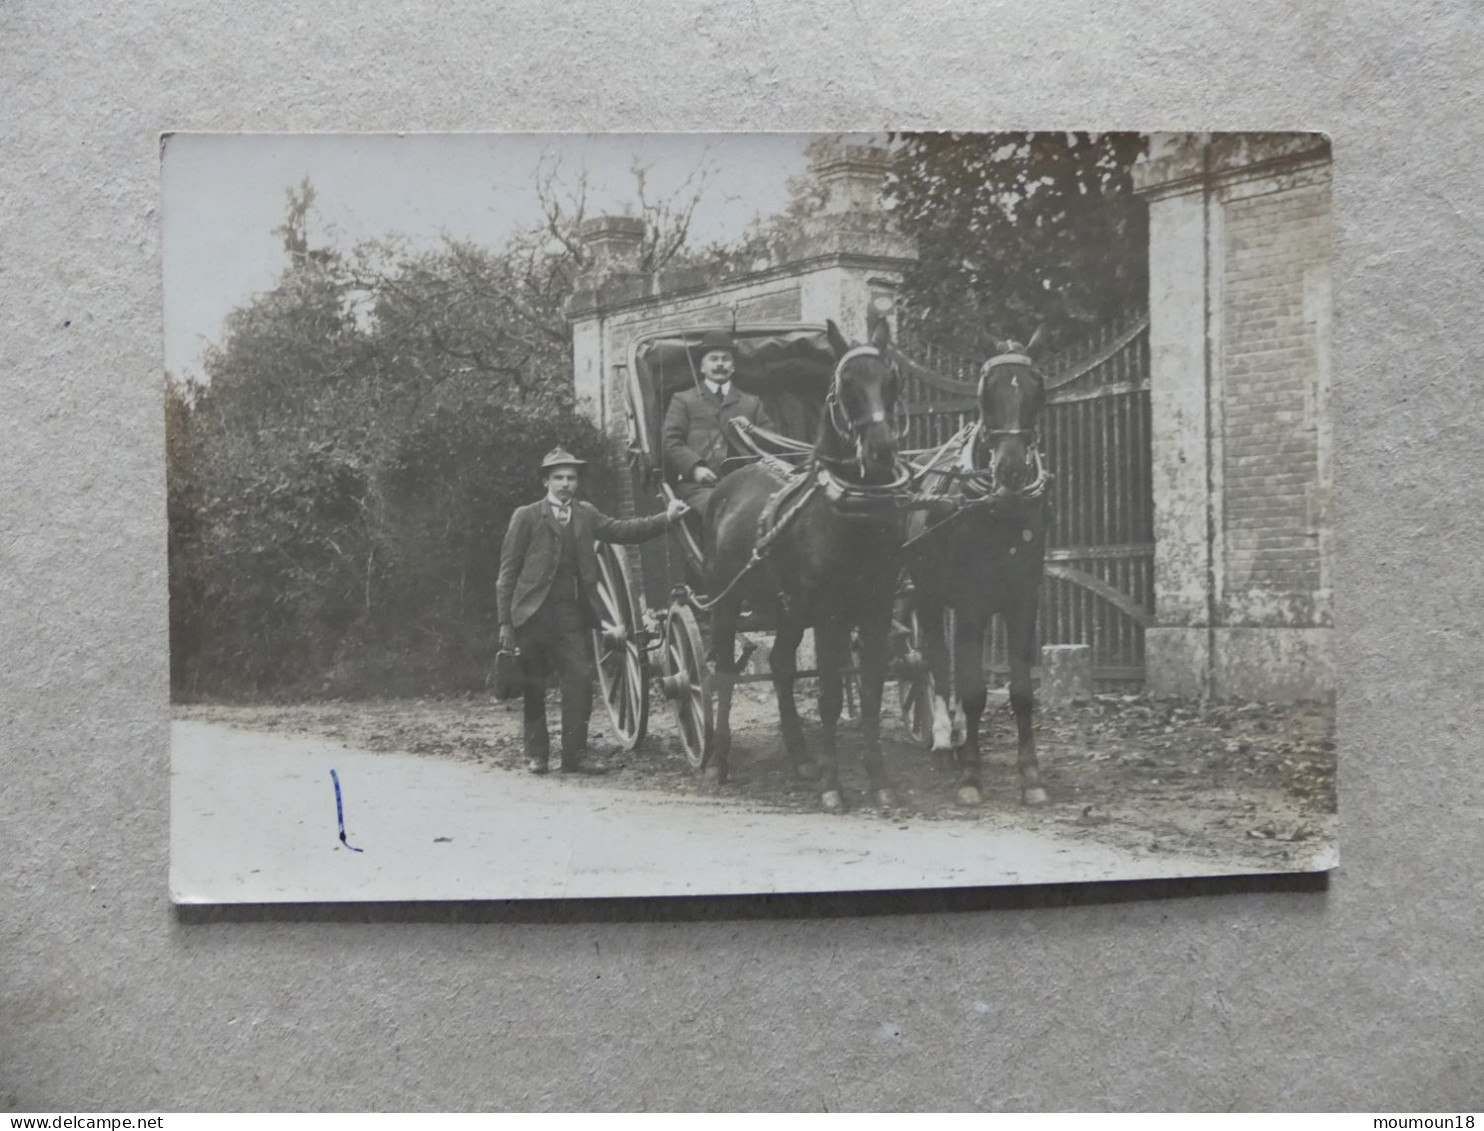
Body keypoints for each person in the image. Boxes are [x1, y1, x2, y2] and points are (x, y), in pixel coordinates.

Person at [497, 447, 689, 775]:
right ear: (546, 481)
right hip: (531, 614)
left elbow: (624, 531)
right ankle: (537, 754)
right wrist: (505, 621)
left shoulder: (585, 515)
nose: (565, 484)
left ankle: (574, 756)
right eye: (558, 478)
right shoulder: (526, 516)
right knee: (534, 684)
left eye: (571, 478)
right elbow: (507, 574)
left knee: (582, 679)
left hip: (571, 614)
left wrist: (667, 519)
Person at [661, 330, 776, 517]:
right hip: (700, 487)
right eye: (713, 359)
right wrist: (694, 468)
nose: (720, 364)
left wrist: (752, 430)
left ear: (733, 367)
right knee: (723, 513)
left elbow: (770, 443)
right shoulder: (684, 400)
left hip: (747, 485)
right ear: (702, 367)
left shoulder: (751, 402)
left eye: (725, 359)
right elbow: (671, 441)